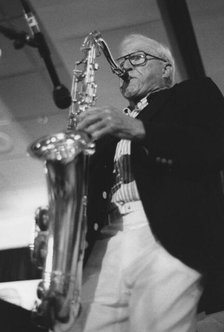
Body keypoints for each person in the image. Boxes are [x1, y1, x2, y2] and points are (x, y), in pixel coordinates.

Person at [56, 34, 224, 332]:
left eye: (137, 58)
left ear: (167, 71)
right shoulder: (109, 128)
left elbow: (214, 145)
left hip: (166, 232)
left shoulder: (193, 92)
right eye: (121, 62)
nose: (124, 68)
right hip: (105, 238)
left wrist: (138, 128)